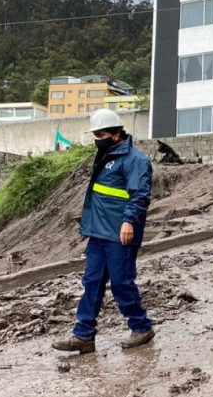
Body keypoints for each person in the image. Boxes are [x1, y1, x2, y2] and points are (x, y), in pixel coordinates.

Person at [53, 109, 154, 353]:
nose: (97, 138)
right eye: (95, 134)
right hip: (99, 233)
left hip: (121, 233)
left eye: (101, 134)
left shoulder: (135, 160)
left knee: (121, 283)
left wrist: (129, 222)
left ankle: (141, 327)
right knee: (92, 282)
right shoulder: (106, 156)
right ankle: (83, 335)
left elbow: (139, 195)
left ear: (117, 134)